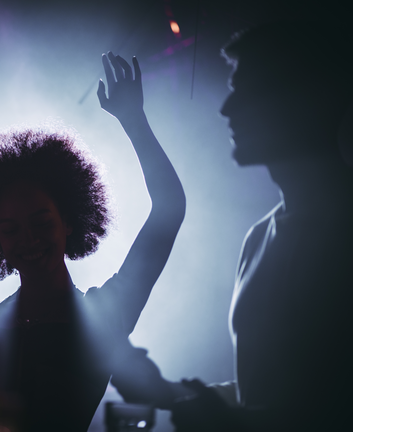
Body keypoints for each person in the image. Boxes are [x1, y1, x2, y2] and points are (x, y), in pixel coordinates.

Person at [0, 52, 186, 432]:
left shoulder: (104, 316)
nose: (29, 239)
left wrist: (135, 122)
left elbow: (169, 208)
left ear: (68, 220)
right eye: (11, 229)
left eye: (40, 222)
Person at [109, 21, 352, 432]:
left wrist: (221, 420)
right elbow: (271, 396)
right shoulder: (260, 236)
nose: (227, 108)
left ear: (300, 99)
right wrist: (164, 391)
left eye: (247, 90)